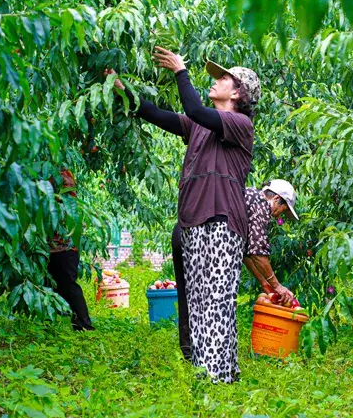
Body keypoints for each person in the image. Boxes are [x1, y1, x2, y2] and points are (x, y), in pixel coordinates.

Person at [106, 47, 259, 383]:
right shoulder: (200, 126)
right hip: (193, 223)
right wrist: (121, 89)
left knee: (217, 301)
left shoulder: (239, 124)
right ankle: (210, 374)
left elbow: (193, 107)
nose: (216, 81)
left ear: (237, 92)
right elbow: (156, 114)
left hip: (221, 221)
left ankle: (217, 380)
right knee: (198, 301)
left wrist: (180, 70)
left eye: (223, 78)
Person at [172, 179, 300, 360]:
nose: (278, 215)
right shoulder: (260, 204)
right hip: (205, 238)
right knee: (213, 300)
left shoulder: (247, 196)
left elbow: (246, 251)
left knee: (189, 296)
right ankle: (212, 358)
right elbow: (258, 253)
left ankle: (189, 353)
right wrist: (277, 286)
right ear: (276, 199)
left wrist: (264, 283)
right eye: (283, 210)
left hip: (183, 232)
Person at [47, 168, 95, 332]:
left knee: (68, 285)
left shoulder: (64, 188)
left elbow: (67, 190)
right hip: (53, 246)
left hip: (65, 247)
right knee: (58, 286)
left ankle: (85, 325)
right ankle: (76, 323)